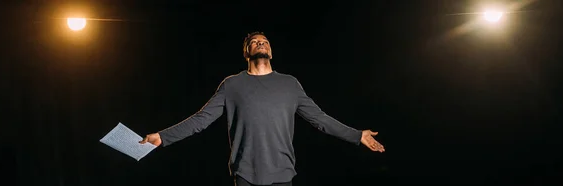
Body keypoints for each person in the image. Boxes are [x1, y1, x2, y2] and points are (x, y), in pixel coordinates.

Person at [139, 31, 385, 186]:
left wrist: (356, 135)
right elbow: (201, 119)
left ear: (271, 51)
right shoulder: (232, 84)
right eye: (255, 42)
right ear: (247, 52)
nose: (260, 44)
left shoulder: (290, 84)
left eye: (265, 41)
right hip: (246, 174)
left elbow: (319, 118)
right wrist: (162, 137)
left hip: (282, 173)